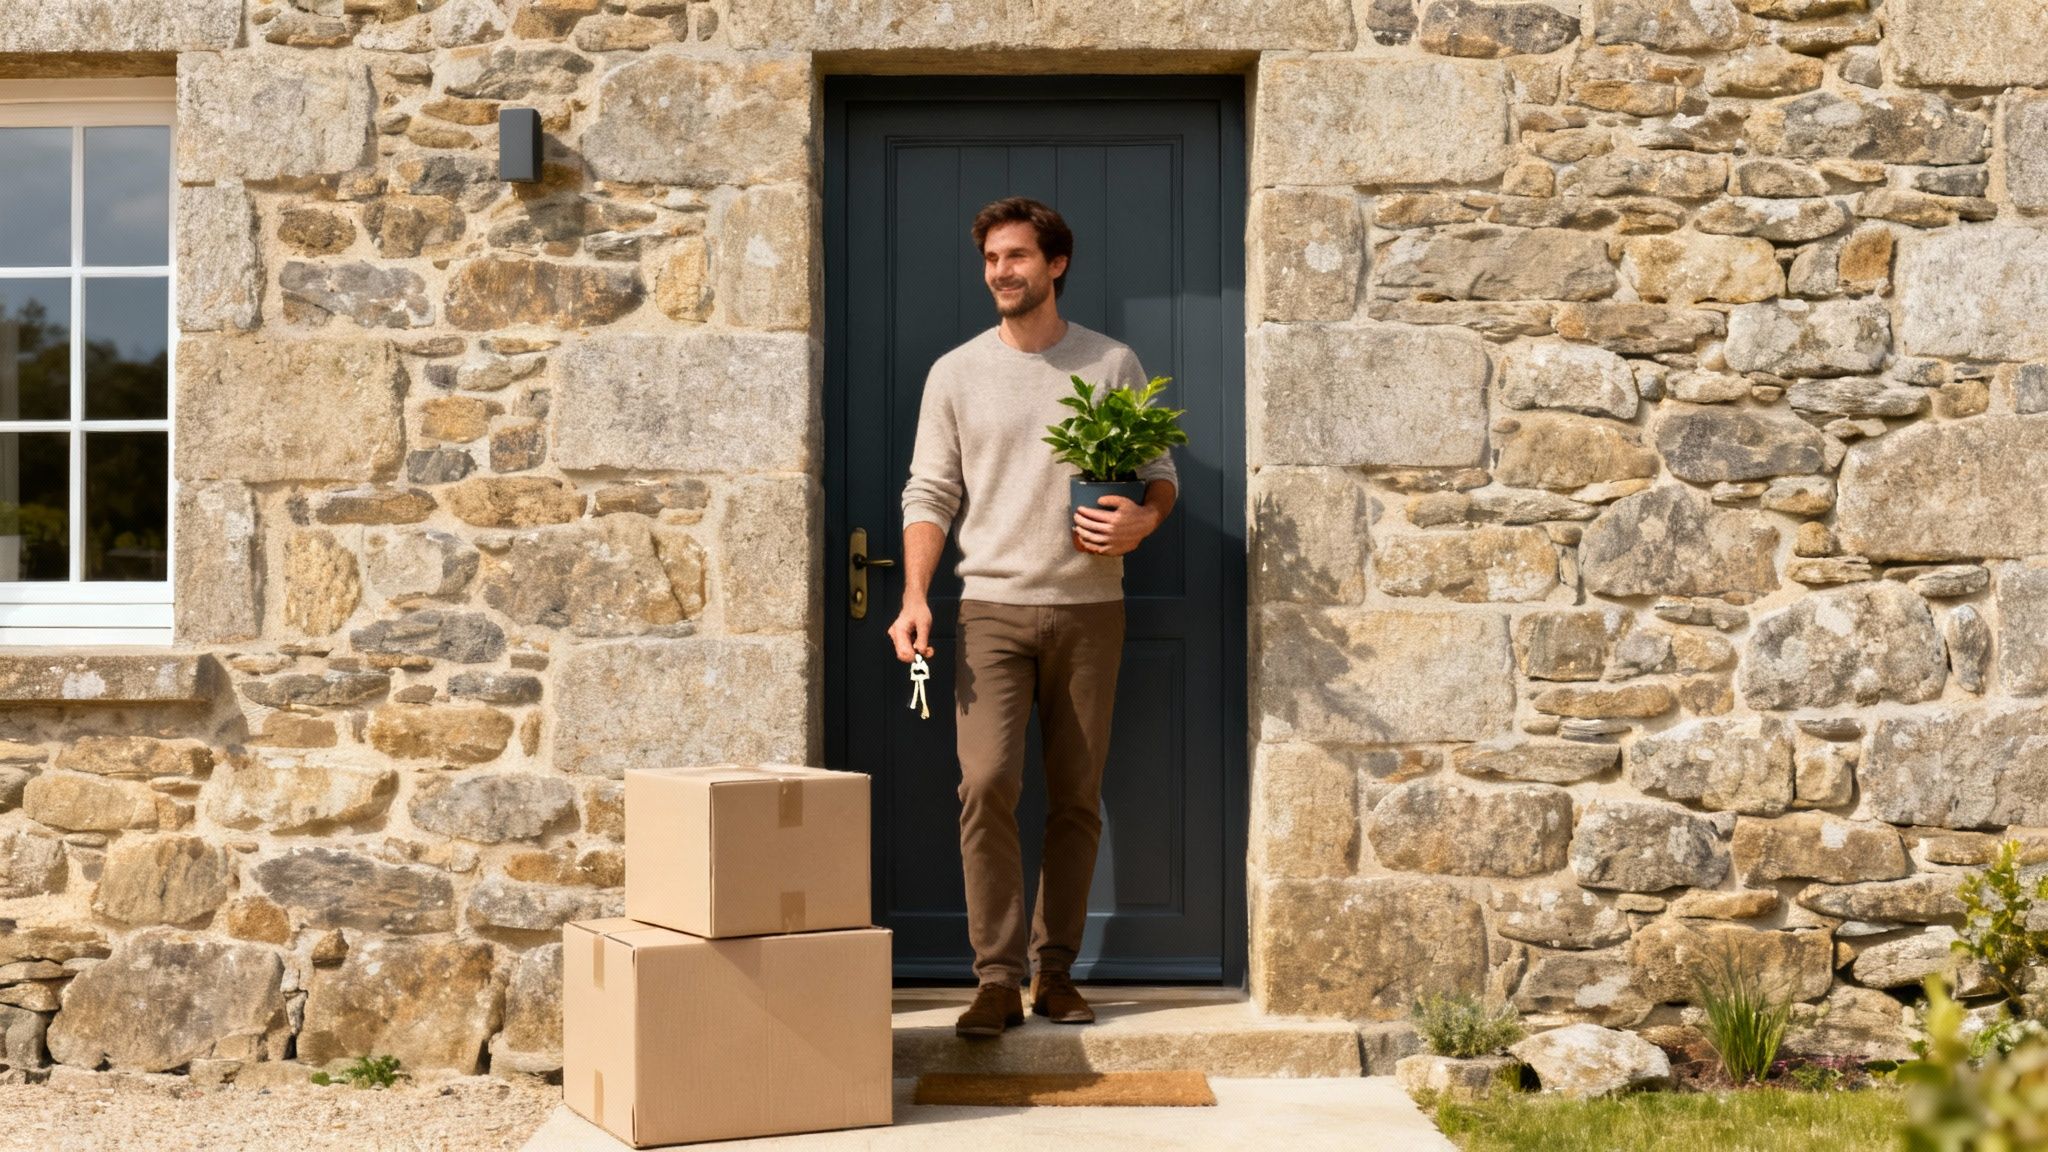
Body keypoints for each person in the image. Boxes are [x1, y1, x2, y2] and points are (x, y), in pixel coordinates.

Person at [889, 196, 1179, 1039]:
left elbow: (1159, 471)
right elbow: (929, 492)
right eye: (991, 259)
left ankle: (1055, 974)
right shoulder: (956, 373)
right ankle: (995, 979)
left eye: (1016, 256)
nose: (1000, 272)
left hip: (1090, 611)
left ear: (1056, 264)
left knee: (1077, 798)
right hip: (992, 610)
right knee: (985, 785)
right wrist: (914, 596)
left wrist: (1145, 519)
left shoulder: (1111, 363)